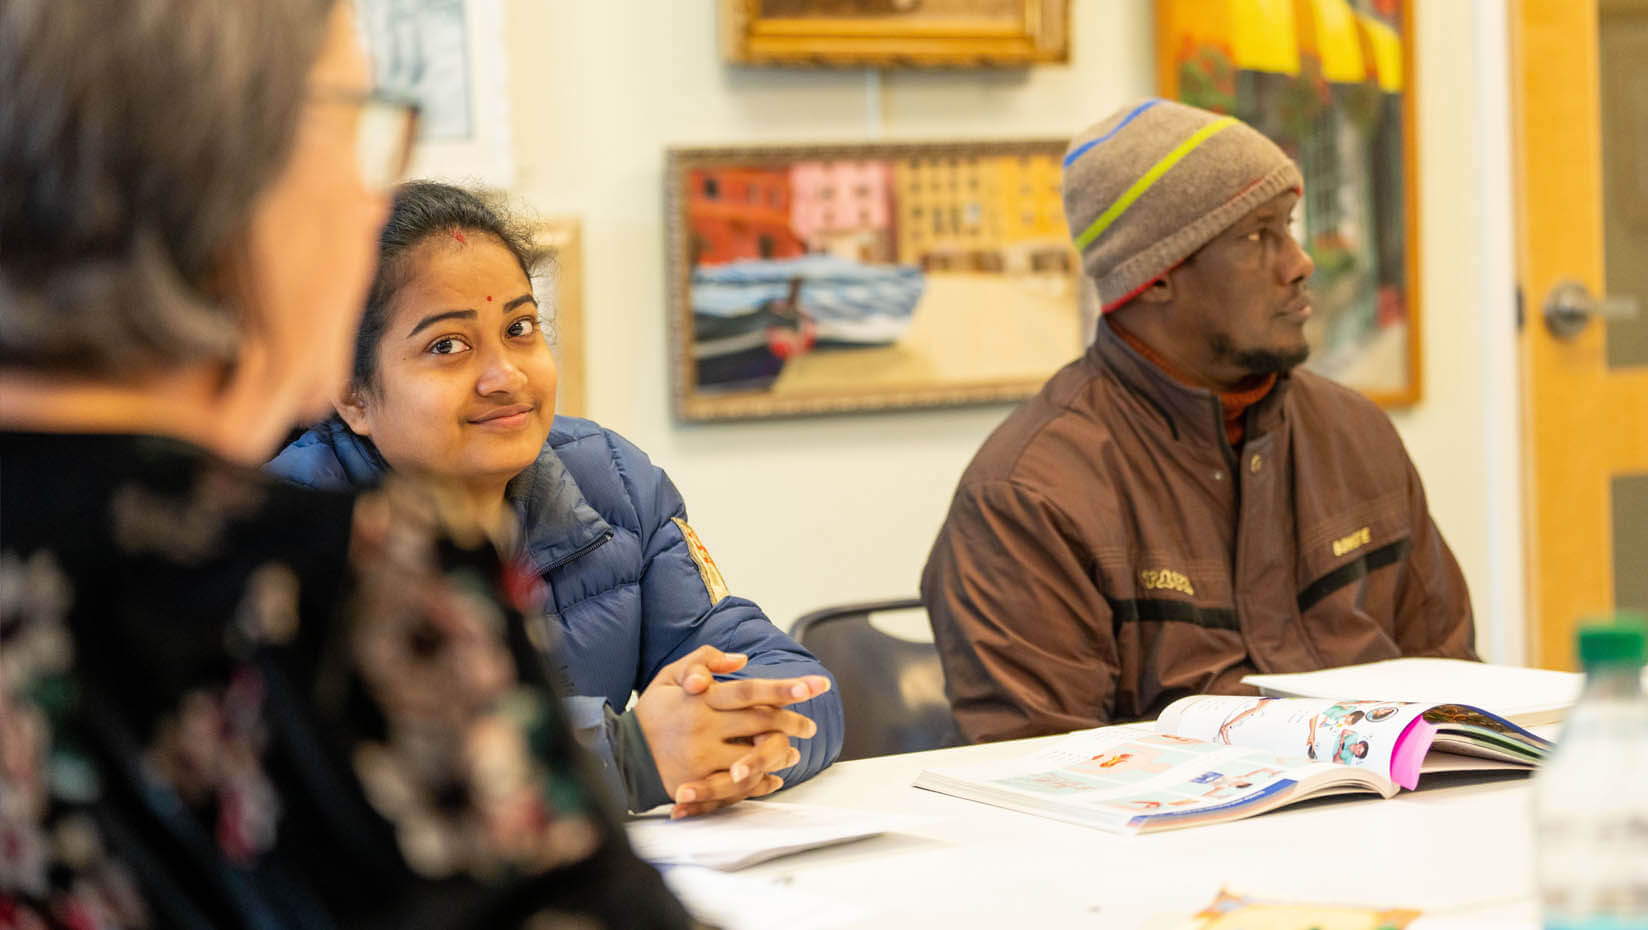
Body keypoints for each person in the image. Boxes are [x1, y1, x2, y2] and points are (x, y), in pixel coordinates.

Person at [0, 2, 688, 926]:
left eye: (521, 327)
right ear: (221, 178)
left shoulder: (605, 474)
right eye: (353, 132)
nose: (372, 203)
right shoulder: (343, 577)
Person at [267, 181, 844, 818]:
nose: (505, 376)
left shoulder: (614, 482)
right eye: (447, 346)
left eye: (519, 329)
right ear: (351, 395)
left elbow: (797, 684)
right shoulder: (276, 528)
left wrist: (737, 743)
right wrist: (627, 755)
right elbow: (337, 774)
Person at [923, 98, 1478, 744]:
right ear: (1154, 278)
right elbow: (1042, 778)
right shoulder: (1026, 497)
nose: (1299, 263)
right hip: (1174, 841)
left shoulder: (1356, 431)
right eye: (1254, 236)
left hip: (1400, 829)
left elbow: (1455, 685)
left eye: (1289, 227)